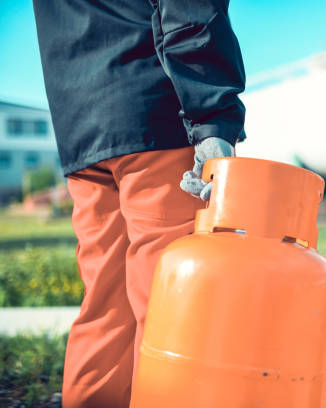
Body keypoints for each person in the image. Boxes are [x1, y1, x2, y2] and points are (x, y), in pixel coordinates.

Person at [32, 1, 246, 406]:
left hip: (83, 131)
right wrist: (213, 122)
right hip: (157, 120)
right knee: (172, 304)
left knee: (105, 308)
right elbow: (191, 15)